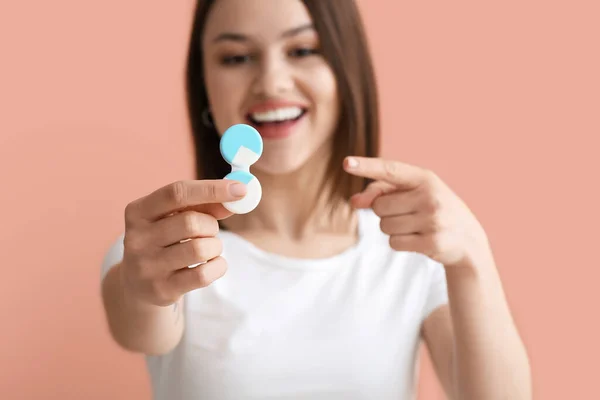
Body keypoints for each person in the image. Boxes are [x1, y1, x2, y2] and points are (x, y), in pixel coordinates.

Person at [100, 1, 532, 399]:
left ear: (347, 69)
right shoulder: (163, 250)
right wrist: (141, 290)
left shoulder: (408, 250)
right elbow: (137, 326)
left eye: (303, 49)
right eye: (235, 57)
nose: (271, 82)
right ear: (205, 86)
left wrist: (472, 257)